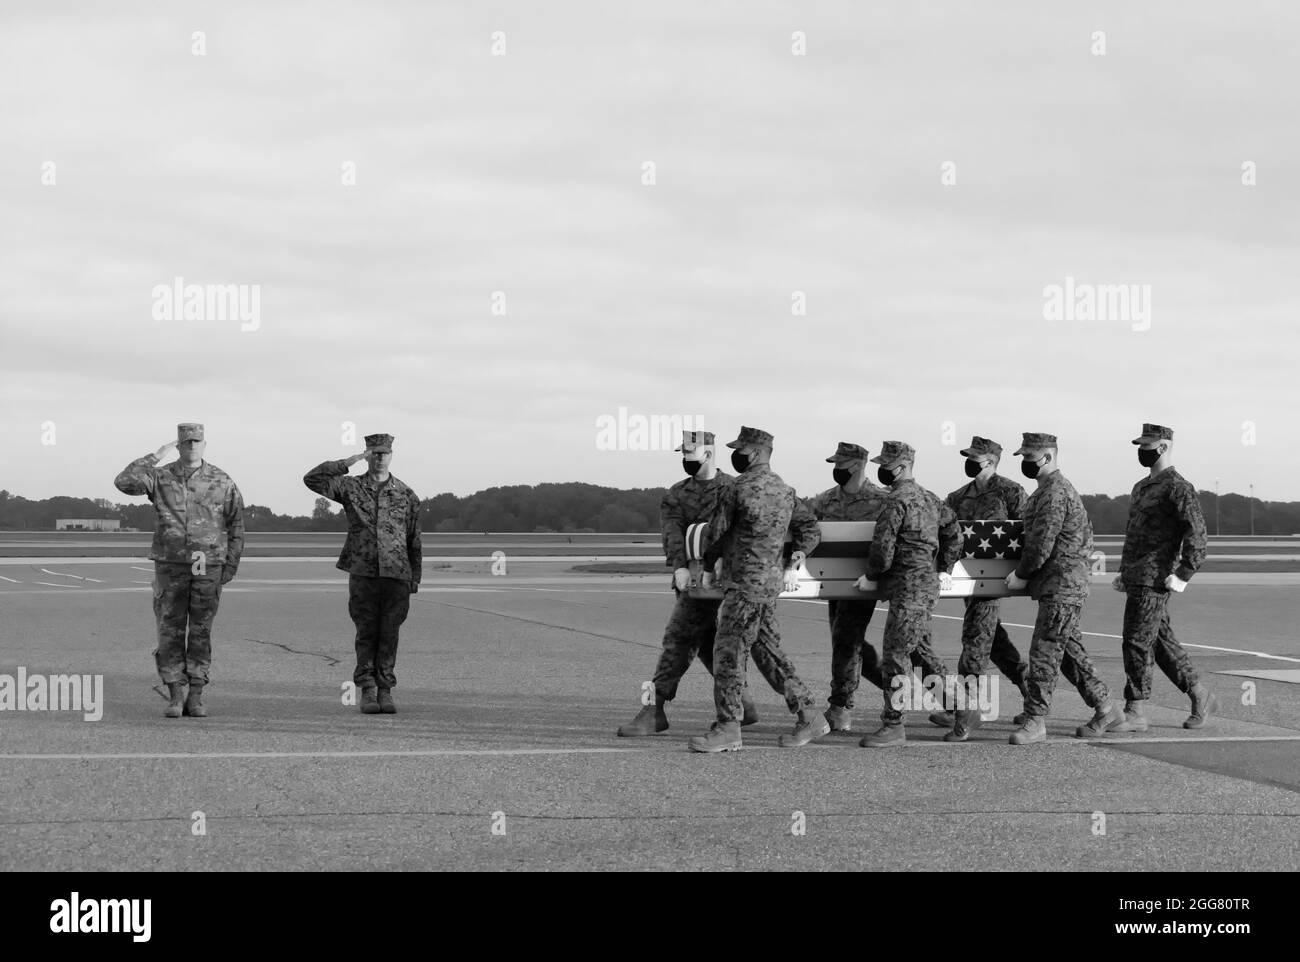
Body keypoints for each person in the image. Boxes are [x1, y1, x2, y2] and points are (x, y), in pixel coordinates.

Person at [689, 426, 827, 752]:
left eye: (740, 449)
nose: (736, 454)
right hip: (769, 585)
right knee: (767, 653)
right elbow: (810, 527)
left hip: (743, 586)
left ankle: (728, 727)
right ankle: (811, 714)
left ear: (753, 453)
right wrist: (798, 555)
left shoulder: (738, 489)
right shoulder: (785, 490)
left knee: (727, 654)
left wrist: (709, 567)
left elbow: (715, 534)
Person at [617, 430, 757, 735]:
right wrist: (679, 566)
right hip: (694, 578)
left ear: (707, 454)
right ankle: (741, 703)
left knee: (684, 638)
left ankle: (656, 709)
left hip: (730, 575)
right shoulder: (678, 493)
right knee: (698, 639)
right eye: (682, 454)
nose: (685, 460)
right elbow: (672, 531)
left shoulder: (734, 488)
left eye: (689, 454)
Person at [114, 423, 244, 718]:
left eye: (196, 441)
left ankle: (196, 695)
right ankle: (174, 694)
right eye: (185, 442)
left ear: (204, 444)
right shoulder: (160, 477)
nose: (192, 446)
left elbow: (236, 525)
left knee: (200, 632)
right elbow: (123, 482)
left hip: (207, 566)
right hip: (171, 565)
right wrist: (154, 455)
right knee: (169, 631)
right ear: (179, 445)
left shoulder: (222, 481)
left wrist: (231, 565)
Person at [1004, 433, 1121, 745]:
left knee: (1044, 650)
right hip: (1058, 583)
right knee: (1068, 652)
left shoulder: (1055, 492)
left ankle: (1036, 720)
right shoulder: (1044, 491)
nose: (1026, 464)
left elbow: (1042, 542)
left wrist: (1022, 574)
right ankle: (1106, 708)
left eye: (1030, 458)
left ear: (1048, 457)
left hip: (1062, 584)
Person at [304, 434, 422, 715]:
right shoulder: (351, 487)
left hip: (396, 574)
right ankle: (367, 689)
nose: (379, 457)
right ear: (368, 454)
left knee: (390, 633)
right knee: (366, 631)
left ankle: (386, 690)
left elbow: (413, 538)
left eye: (384, 453)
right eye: (374, 452)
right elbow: (312, 479)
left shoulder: (406, 494)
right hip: (363, 571)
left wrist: (415, 577)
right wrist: (348, 461)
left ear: (391, 455)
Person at [1109, 423, 1215, 731]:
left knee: (1136, 641)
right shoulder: (1142, 487)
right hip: (1137, 576)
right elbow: (1134, 534)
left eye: (1148, 445)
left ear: (1164, 446)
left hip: (1156, 578)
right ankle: (1200, 694)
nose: (1142, 451)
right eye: (1140, 446)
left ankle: (1136, 709)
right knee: (1159, 642)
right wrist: (1123, 572)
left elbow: (1196, 532)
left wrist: (1184, 573)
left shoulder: (1178, 487)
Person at [856, 441, 960, 747]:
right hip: (926, 587)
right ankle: (961, 709)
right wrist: (944, 567)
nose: (881, 471)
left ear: (901, 467)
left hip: (907, 589)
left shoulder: (896, 500)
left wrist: (872, 576)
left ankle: (894, 725)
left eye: (885, 466)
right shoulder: (930, 498)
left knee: (896, 655)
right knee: (920, 651)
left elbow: (883, 547)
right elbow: (954, 531)